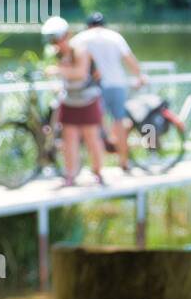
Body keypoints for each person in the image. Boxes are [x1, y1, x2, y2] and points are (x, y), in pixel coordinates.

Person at [71, 12, 146, 172]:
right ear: (104, 24)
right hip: (118, 84)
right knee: (119, 123)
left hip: (95, 87)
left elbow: (72, 60)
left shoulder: (81, 38)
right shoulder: (115, 37)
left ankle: (97, 166)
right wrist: (139, 75)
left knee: (93, 127)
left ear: (88, 25)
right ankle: (124, 161)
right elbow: (129, 59)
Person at [42, 16, 106, 186]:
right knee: (68, 139)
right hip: (69, 100)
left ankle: (98, 172)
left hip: (87, 100)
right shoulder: (58, 54)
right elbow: (66, 77)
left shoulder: (80, 49)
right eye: (51, 39)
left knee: (91, 137)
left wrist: (58, 70)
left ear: (67, 35)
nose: (55, 42)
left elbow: (80, 73)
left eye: (57, 38)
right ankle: (70, 175)